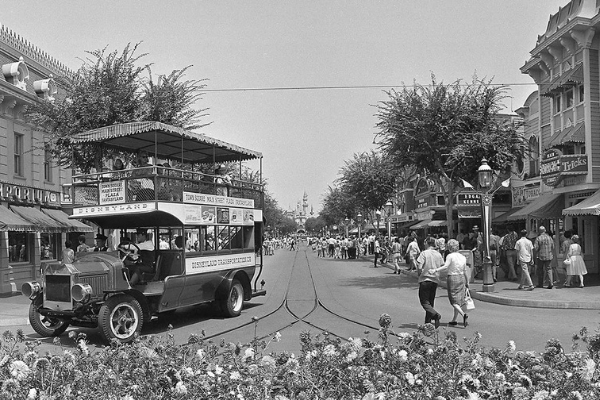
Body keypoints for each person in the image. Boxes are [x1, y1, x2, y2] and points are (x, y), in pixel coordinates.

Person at [434, 239, 470, 327]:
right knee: (458, 299)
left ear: (449, 247)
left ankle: (463, 314)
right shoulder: (462, 257)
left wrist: (435, 270)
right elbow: (465, 271)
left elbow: (446, 266)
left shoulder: (450, 256)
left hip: (452, 277)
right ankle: (454, 319)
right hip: (461, 277)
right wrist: (467, 282)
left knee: (453, 300)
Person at [416, 237, 444, 328]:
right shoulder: (438, 254)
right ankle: (428, 322)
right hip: (434, 280)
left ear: (426, 243)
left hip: (425, 279)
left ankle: (435, 315)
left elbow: (419, 266)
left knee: (424, 301)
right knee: (430, 301)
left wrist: (419, 274)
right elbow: (442, 265)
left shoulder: (424, 253)